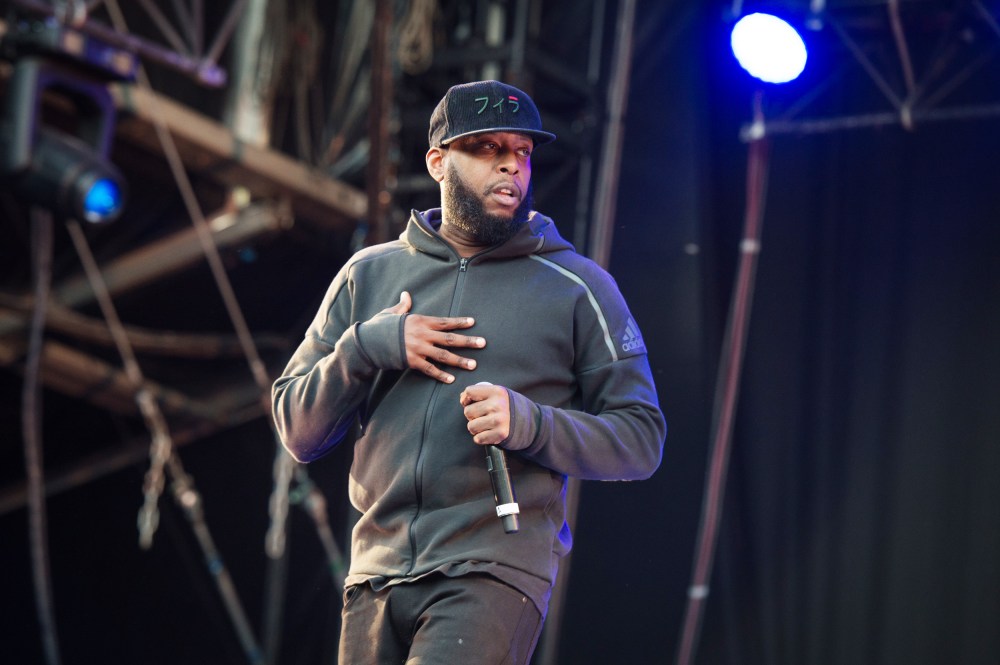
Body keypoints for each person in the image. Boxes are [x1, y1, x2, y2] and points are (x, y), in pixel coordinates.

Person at [272, 80, 666, 664]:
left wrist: (532, 423)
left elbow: (641, 439)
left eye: (522, 152)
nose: (511, 165)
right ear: (438, 161)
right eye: (486, 148)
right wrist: (365, 346)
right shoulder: (368, 274)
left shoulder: (578, 287)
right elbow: (297, 429)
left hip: (494, 568)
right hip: (376, 573)